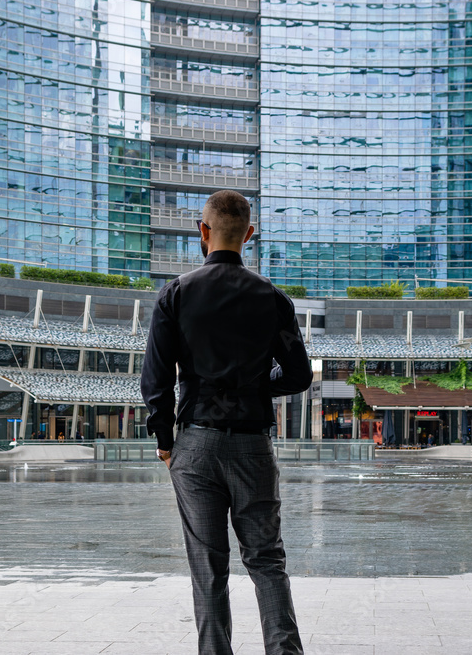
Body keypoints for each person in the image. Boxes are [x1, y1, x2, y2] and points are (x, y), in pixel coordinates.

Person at [141, 190, 312, 655]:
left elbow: (156, 379)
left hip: (195, 444)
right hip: (253, 446)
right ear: (248, 234)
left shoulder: (176, 293)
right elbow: (298, 375)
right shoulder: (273, 298)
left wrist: (165, 438)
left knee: (208, 567)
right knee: (267, 561)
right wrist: (255, 386)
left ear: (203, 231)